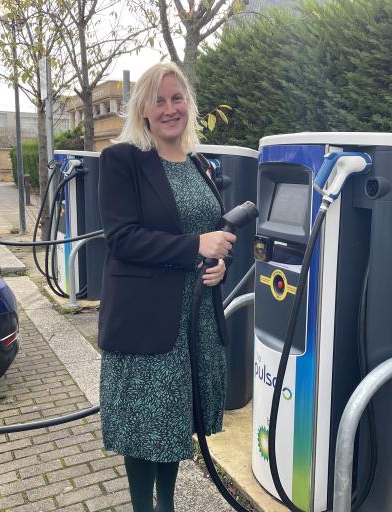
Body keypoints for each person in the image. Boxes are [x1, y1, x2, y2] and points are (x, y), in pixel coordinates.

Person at [97, 62, 236, 512]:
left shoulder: (199, 164)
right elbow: (122, 238)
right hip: (146, 319)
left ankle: (167, 505)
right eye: (159, 100)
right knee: (143, 425)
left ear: (188, 106)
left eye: (177, 98)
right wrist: (196, 245)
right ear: (142, 109)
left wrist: (217, 265)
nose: (170, 108)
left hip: (193, 319)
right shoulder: (123, 161)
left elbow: (211, 235)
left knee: (174, 421)